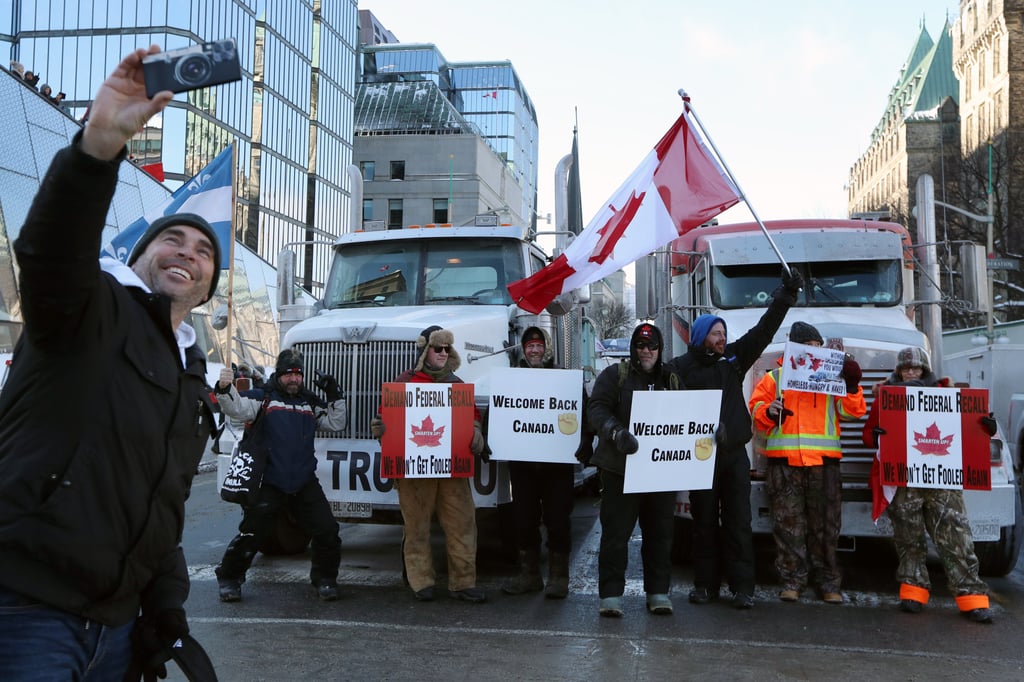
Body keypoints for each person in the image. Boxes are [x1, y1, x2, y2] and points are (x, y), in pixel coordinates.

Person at [0, 46, 218, 680]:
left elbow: (163, 503)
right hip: (27, 611)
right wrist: (97, 149)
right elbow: (50, 250)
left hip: (119, 630)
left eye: (203, 251)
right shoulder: (89, 306)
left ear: (206, 286)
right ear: (141, 257)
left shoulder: (189, 373)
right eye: (171, 239)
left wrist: (166, 611)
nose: (187, 251)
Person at [667, 266, 803, 609]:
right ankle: (705, 586)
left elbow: (763, 331)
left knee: (739, 523)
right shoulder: (679, 369)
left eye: (723, 333)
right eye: (714, 333)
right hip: (699, 458)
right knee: (703, 524)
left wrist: (785, 296)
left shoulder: (733, 360)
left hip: (733, 457)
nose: (721, 338)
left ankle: (743, 589)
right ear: (699, 337)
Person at [863, 347, 995, 623]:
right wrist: (876, 435)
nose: (911, 373)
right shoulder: (885, 399)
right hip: (904, 481)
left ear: (926, 370)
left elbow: (969, 429)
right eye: (906, 369)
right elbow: (868, 436)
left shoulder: (946, 395)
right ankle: (913, 590)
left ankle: (971, 596)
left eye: (917, 369)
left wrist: (985, 426)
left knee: (956, 535)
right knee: (908, 538)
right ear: (898, 371)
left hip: (941, 481)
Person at [214, 348, 347, 602]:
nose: (294, 379)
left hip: (304, 482)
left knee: (327, 530)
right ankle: (229, 577)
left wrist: (333, 393)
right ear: (279, 374)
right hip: (269, 481)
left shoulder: (309, 402)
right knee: (252, 533)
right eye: (288, 374)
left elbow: (336, 422)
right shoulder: (263, 397)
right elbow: (237, 408)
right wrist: (224, 387)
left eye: (298, 374)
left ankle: (326, 580)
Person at [748, 321, 866, 604]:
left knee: (826, 528)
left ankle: (828, 583)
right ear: (794, 348)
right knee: (788, 527)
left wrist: (851, 385)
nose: (814, 351)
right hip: (785, 464)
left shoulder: (831, 378)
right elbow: (756, 411)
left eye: (817, 346)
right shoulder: (774, 378)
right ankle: (792, 581)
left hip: (823, 465)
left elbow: (853, 413)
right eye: (808, 346)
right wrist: (769, 410)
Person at [370, 325, 488, 603]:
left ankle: (463, 582)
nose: (444, 353)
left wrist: (475, 430)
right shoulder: (404, 383)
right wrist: (380, 427)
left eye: (448, 348)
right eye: (438, 348)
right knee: (416, 527)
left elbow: (472, 415)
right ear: (425, 351)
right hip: (414, 470)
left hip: (452, 470)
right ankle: (420, 581)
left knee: (462, 524)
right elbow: (385, 415)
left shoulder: (457, 386)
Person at [587, 323, 681, 617]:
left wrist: (712, 432)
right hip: (620, 470)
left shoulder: (672, 379)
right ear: (633, 349)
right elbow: (596, 409)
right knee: (615, 535)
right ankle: (611, 596)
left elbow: (690, 415)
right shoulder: (615, 376)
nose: (646, 351)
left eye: (652, 346)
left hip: (660, 472)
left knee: (660, 535)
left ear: (660, 349)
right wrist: (615, 432)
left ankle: (658, 592)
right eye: (641, 346)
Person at [501, 326, 576, 599]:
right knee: (524, 520)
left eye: (539, 345)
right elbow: (500, 411)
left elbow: (582, 412)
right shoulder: (511, 379)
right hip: (523, 467)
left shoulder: (563, 378)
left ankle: (559, 578)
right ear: (523, 348)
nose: (534, 350)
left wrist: (583, 442)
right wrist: (490, 440)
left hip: (557, 467)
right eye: (530, 345)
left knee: (558, 520)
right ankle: (529, 575)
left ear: (547, 347)